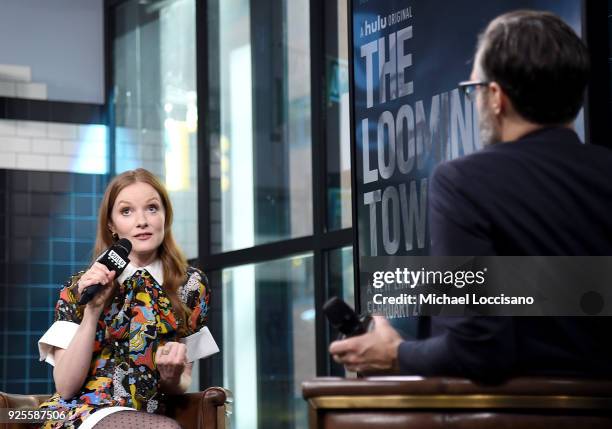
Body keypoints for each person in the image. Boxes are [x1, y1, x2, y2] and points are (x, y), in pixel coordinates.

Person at [330, 10, 612, 379]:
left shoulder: (463, 182)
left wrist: (396, 354)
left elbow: (478, 348)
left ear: (496, 97)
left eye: (474, 89)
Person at [37, 168, 214, 429]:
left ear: (165, 216)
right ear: (111, 225)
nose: (141, 221)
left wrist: (172, 375)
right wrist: (92, 311)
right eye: (126, 211)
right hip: (80, 414)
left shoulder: (190, 285)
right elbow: (65, 386)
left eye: (152, 208)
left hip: (149, 416)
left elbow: (181, 383)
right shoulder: (79, 287)